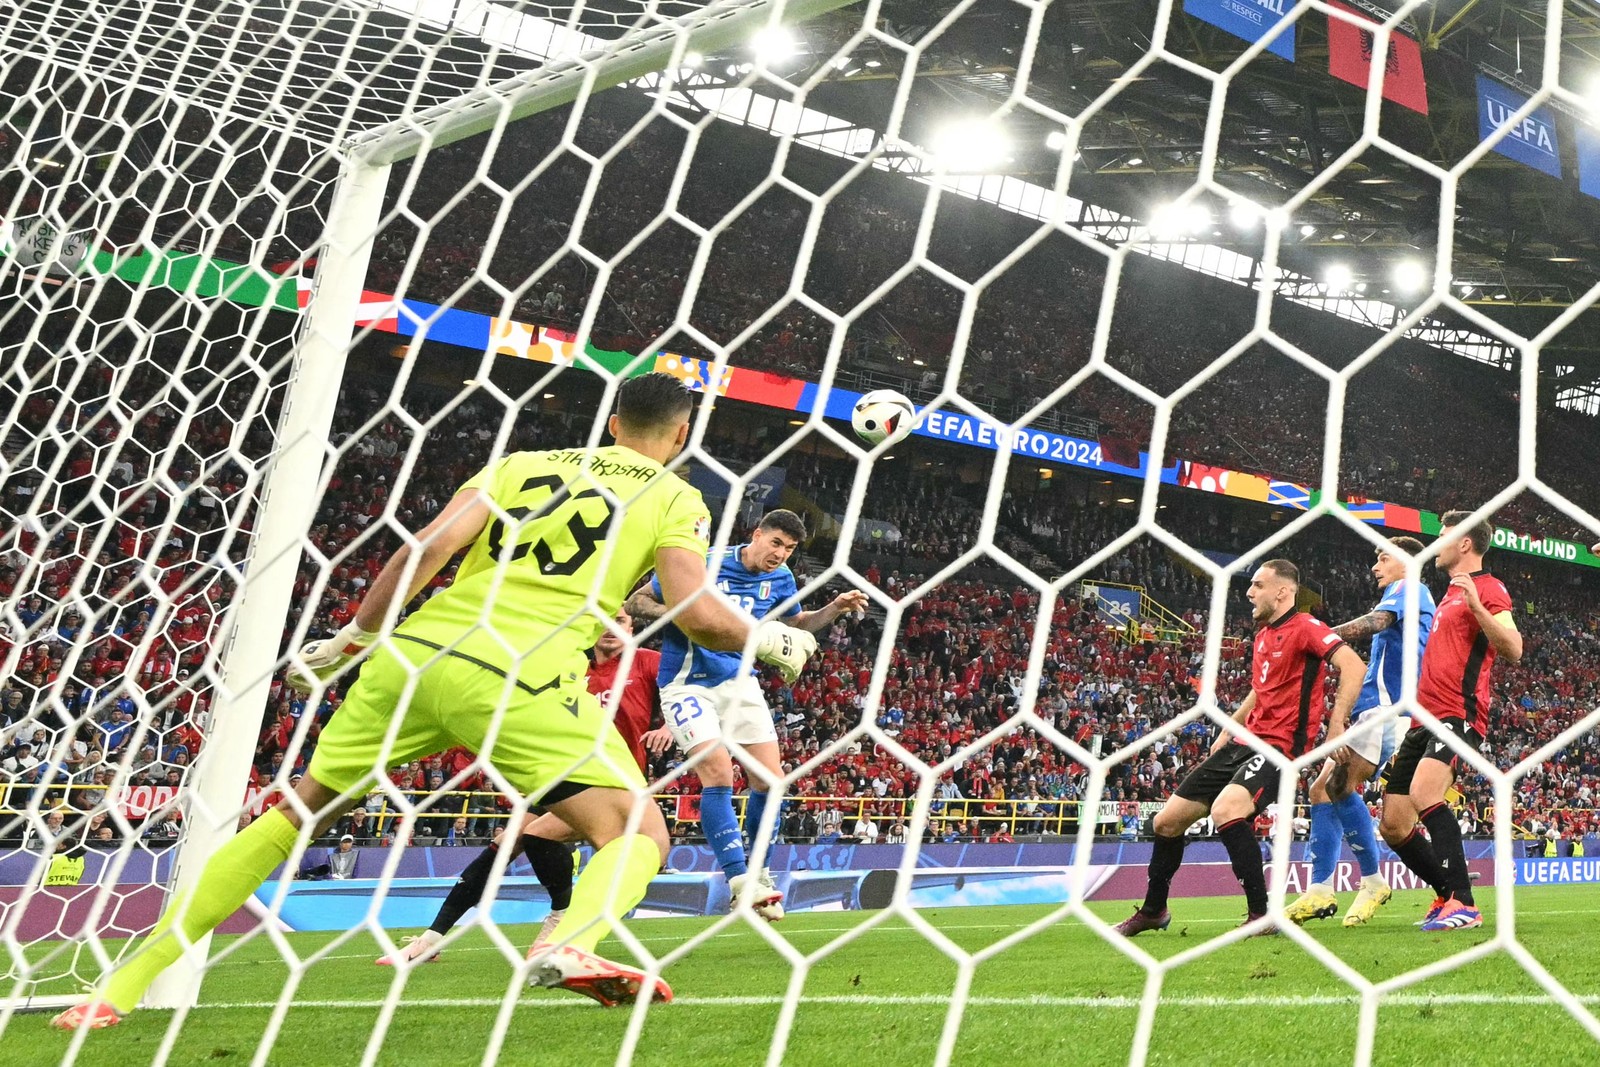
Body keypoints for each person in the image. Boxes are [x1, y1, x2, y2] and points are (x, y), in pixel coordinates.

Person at [52, 372, 817, 1029]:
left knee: (299, 808)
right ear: (679, 434)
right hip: (524, 672)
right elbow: (696, 607)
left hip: (417, 653)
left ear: (611, 423)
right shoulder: (674, 493)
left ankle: (121, 984)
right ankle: (566, 937)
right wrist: (779, 643)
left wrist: (351, 639)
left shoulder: (521, 462)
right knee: (635, 825)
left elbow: (425, 549)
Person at [375, 610, 667, 965]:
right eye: (604, 620)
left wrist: (668, 726)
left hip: (611, 784)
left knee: (537, 835)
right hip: (557, 772)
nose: (611, 627)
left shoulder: (647, 664)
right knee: (505, 843)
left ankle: (562, 916)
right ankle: (432, 939)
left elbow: (682, 686)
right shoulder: (573, 667)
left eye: (620, 620)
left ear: (632, 628)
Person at [626, 510, 867, 921]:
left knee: (770, 782)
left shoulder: (782, 579)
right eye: (776, 543)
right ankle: (740, 882)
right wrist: (687, 616)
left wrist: (835, 607)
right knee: (718, 773)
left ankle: (761, 872)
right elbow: (638, 601)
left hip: (740, 683)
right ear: (756, 535)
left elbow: (796, 625)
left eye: (789, 550)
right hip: (687, 683)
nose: (781, 555)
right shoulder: (704, 561)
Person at [1115, 560, 1364, 936]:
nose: (1249, 592)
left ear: (1282, 591)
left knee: (1227, 810)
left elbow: (1354, 666)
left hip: (1281, 746)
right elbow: (1259, 689)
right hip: (1245, 741)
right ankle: (1153, 910)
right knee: (1166, 823)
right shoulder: (1264, 634)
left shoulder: (1308, 628)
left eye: (1258, 585)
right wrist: (1231, 728)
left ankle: (1261, 914)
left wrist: (1336, 724)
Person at [1285, 537, 1436, 928]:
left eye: (1384, 557)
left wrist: (1317, 638)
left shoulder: (1410, 586)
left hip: (1388, 710)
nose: (1375, 566)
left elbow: (1377, 623)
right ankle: (1320, 887)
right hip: (1380, 708)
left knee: (1338, 787)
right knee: (1323, 788)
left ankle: (1371, 881)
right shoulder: (1407, 596)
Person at [1380, 512, 1519, 933]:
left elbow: (1513, 648)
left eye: (1443, 538)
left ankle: (1465, 904)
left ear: (1464, 543)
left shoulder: (1488, 588)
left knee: (1425, 792)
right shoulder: (1448, 594)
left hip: (1458, 713)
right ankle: (1446, 890)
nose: (1436, 544)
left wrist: (1477, 605)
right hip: (1423, 719)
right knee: (1394, 822)